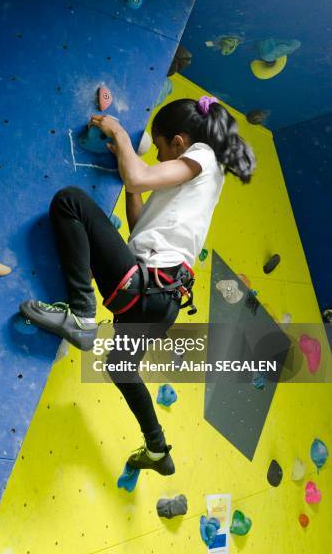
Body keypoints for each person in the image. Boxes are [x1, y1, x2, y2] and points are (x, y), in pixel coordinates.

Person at [20, 96, 256, 476]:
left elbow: (139, 175)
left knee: (70, 202)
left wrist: (119, 135)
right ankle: (158, 448)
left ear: (180, 142)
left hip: (147, 287)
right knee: (120, 365)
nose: (160, 158)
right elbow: (139, 227)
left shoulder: (203, 158)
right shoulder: (192, 188)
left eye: (162, 149)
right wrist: (128, 176)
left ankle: (81, 313)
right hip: (161, 300)